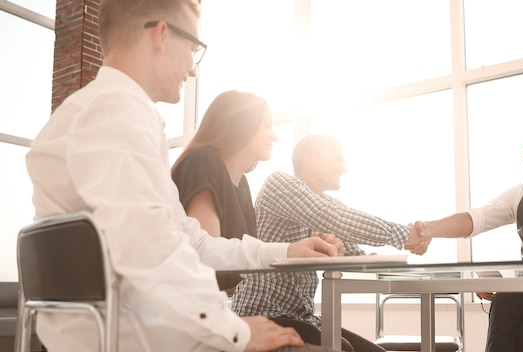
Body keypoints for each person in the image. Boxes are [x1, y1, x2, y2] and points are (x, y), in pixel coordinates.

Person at [24, 1, 343, 351]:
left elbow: (193, 242)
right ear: (161, 33)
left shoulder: (85, 115)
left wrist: (286, 250)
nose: (193, 69)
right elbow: (150, 248)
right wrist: (234, 330)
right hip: (138, 337)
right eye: (193, 48)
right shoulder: (118, 114)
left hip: (116, 331)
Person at [406, 114, 523, 352]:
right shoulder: (521, 196)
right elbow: (476, 219)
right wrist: (428, 229)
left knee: (507, 296)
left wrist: (508, 276)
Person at [231, 134, 429, 352]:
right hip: (263, 312)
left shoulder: (329, 204)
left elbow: (355, 253)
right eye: (337, 159)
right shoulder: (279, 184)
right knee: (341, 348)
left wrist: (352, 252)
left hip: (303, 317)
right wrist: (403, 235)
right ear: (310, 159)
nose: (342, 168)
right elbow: (330, 216)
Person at [171, 90, 278, 292]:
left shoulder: (241, 182)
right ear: (240, 124)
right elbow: (207, 262)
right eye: (266, 124)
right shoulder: (202, 162)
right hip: (189, 307)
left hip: (214, 305)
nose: (275, 136)